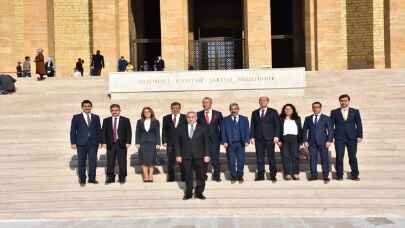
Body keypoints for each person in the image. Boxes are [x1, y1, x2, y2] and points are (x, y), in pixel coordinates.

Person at [175, 111, 210, 200]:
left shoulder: (202, 128)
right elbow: (177, 143)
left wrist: (207, 155)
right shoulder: (181, 128)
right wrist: (178, 155)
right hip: (186, 156)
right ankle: (188, 193)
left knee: (201, 176)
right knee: (187, 175)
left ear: (196, 118)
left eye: (192, 117)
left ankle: (199, 193)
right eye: (189, 117)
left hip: (200, 156)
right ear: (186, 118)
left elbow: (206, 142)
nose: (191, 119)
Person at [330, 94, 363, 181]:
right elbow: (331, 126)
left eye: (345, 100)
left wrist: (360, 135)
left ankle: (355, 175)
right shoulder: (334, 112)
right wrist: (331, 137)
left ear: (348, 101)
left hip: (352, 138)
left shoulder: (355, 111)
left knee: (352, 157)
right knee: (339, 157)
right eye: (342, 101)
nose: (343, 102)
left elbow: (359, 124)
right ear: (339, 101)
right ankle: (339, 175)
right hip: (339, 138)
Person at [69, 100, 101, 186]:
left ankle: (92, 178)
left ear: (91, 107)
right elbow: (72, 131)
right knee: (81, 162)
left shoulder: (96, 117)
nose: (87, 107)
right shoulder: (76, 117)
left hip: (93, 143)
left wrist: (101, 141)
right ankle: (82, 179)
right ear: (82, 107)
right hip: (81, 143)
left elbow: (99, 130)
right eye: (85, 106)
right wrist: (73, 142)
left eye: (89, 106)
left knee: (93, 161)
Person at [250, 96, 280, 182]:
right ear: (259, 102)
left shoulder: (273, 112)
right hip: (259, 139)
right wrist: (252, 136)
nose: (262, 102)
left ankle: (273, 175)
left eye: (264, 100)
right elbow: (252, 125)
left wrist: (276, 136)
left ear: (267, 102)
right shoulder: (255, 113)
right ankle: (260, 175)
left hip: (270, 138)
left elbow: (277, 125)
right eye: (261, 101)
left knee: (271, 157)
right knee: (259, 158)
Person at [302, 102, 333, 182]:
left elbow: (330, 130)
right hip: (311, 142)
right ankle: (313, 175)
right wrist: (305, 140)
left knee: (324, 159)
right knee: (312, 159)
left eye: (317, 107)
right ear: (312, 108)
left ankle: (325, 176)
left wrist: (329, 140)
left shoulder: (326, 118)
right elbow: (304, 130)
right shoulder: (308, 118)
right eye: (314, 107)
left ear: (320, 108)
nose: (315, 109)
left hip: (323, 142)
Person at [102, 104, 132, 184]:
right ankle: (110, 177)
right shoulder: (106, 120)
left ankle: (122, 177)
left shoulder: (125, 120)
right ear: (110, 111)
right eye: (113, 110)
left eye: (116, 110)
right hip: (110, 144)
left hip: (121, 143)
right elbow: (103, 132)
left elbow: (129, 132)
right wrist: (104, 142)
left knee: (122, 161)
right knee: (110, 161)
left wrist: (128, 142)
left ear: (119, 110)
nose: (114, 112)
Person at [221, 103, 250, 183]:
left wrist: (247, 140)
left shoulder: (244, 119)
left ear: (238, 109)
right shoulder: (225, 119)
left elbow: (247, 130)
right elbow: (223, 132)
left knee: (241, 160)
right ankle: (233, 176)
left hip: (241, 143)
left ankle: (240, 175)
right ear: (230, 110)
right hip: (230, 144)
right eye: (232, 109)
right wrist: (224, 141)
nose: (234, 110)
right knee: (231, 160)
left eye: (235, 109)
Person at [197, 97, 223, 182]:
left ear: (211, 103)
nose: (206, 104)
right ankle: (203, 176)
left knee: (215, 159)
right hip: (202, 141)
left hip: (214, 140)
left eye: (208, 102)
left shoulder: (218, 114)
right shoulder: (198, 114)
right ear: (202, 104)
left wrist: (222, 140)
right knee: (203, 159)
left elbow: (222, 127)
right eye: (204, 102)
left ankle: (217, 176)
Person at [162, 102, 187, 182]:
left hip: (182, 144)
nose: (175, 109)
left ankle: (184, 178)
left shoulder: (185, 117)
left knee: (182, 162)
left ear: (180, 108)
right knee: (170, 162)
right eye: (173, 108)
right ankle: (171, 178)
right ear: (171, 109)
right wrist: (164, 141)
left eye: (177, 108)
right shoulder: (166, 118)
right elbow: (164, 130)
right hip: (170, 144)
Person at [135, 107, 161, 182]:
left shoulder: (156, 121)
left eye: (148, 112)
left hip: (152, 143)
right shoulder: (139, 121)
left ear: (151, 112)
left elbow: (157, 133)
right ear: (143, 113)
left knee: (152, 160)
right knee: (143, 160)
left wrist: (158, 143)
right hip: (142, 143)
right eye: (145, 112)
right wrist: (137, 142)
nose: (147, 113)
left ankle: (150, 176)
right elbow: (137, 132)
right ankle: (145, 176)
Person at [278, 104, 303, 181]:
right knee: (285, 156)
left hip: (295, 139)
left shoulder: (297, 118)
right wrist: (278, 140)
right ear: (284, 110)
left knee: (295, 156)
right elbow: (278, 130)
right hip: (284, 139)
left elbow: (300, 130)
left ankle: (295, 173)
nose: (288, 110)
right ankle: (287, 174)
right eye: (286, 109)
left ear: (293, 110)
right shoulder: (280, 119)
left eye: (290, 109)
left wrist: (301, 142)